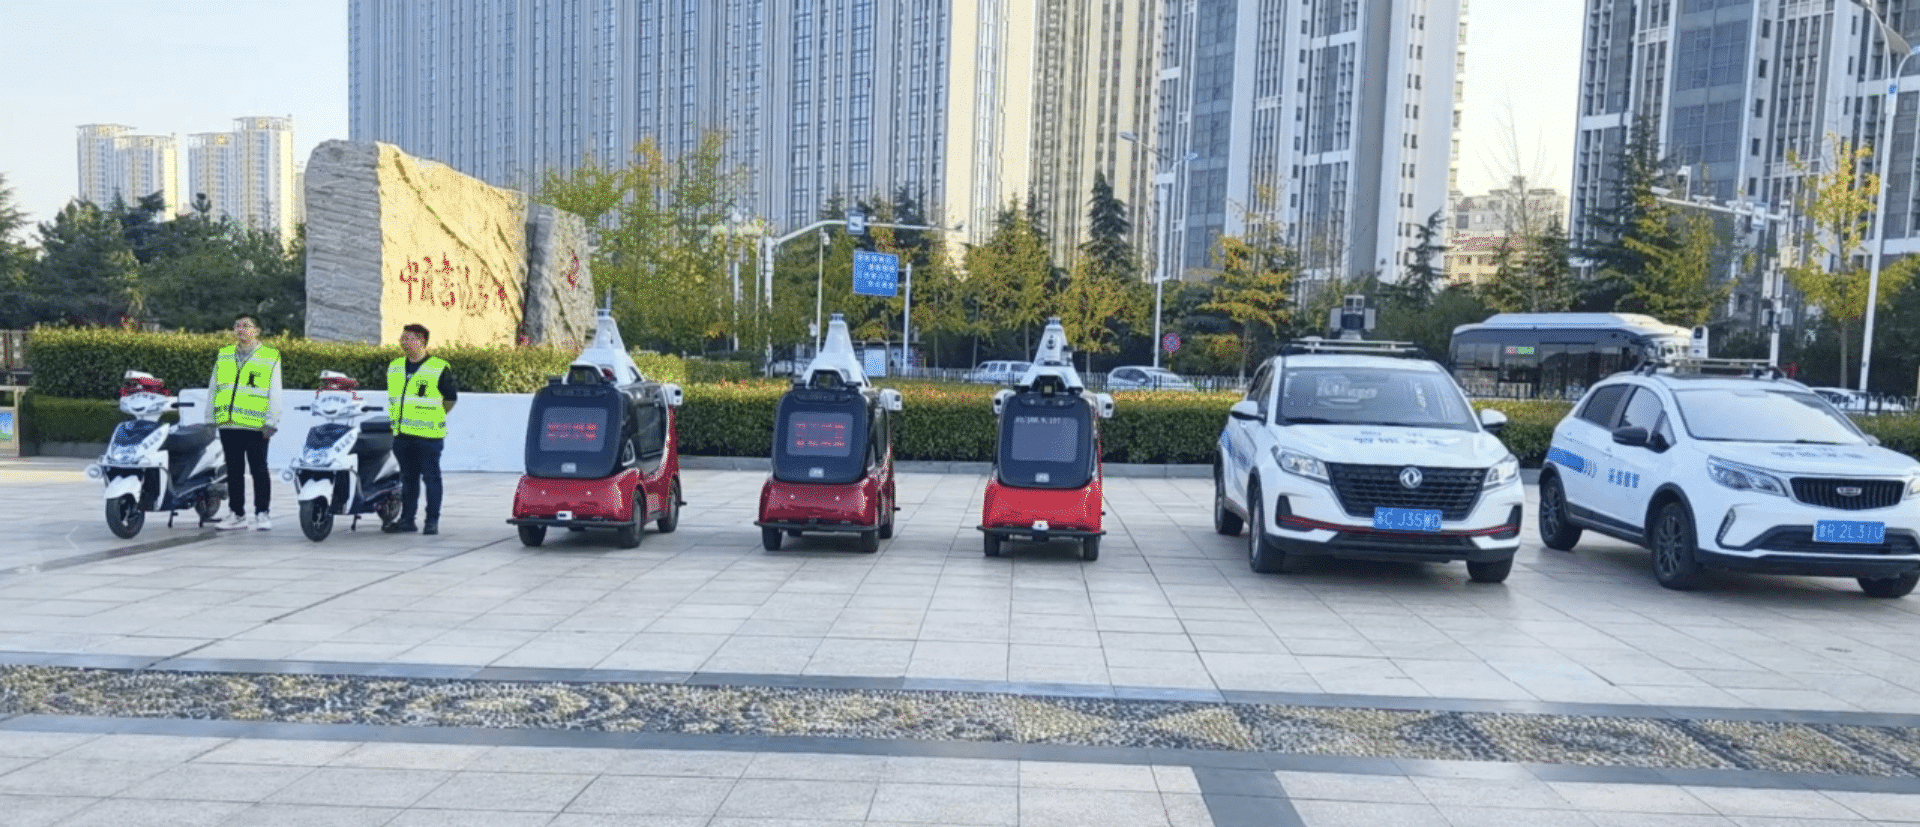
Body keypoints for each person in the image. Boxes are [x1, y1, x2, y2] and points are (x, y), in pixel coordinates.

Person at [208, 314, 283, 531]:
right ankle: (237, 514)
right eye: (238, 326)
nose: (241, 329)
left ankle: (262, 513)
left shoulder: (269, 356)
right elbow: (214, 388)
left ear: (256, 330)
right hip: (229, 424)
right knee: (233, 471)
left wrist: (272, 421)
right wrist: (210, 418)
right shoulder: (224, 355)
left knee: (259, 470)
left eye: (247, 325)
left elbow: (275, 391)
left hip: (256, 426)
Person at [383, 323, 457, 535]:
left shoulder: (438, 367)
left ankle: (431, 521)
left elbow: (450, 399)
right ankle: (407, 520)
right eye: (402, 338)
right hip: (402, 435)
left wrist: (435, 415)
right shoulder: (395, 366)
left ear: (422, 341)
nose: (403, 342)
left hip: (428, 436)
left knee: (431, 478)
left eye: (408, 338)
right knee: (408, 479)